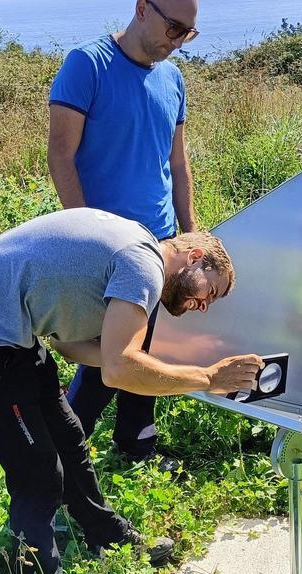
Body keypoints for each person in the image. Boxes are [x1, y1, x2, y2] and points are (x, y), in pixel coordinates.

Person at [0, 207, 261, 574]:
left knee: (69, 438)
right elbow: (118, 370)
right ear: (195, 257)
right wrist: (207, 378)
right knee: (38, 475)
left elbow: (69, 346)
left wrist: (147, 364)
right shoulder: (144, 265)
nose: (202, 305)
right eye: (209, 292)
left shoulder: (134, 245)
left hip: (16, 338)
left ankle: (109, 538)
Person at [48, 0, 201, 470]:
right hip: (106, 249)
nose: (177, 41)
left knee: (145, 349)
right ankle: (63, 459)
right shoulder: (87, 64)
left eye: (188, 34)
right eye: (173, 27)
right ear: (141, 8)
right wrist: (87, 236)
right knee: (103, 360)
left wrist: (192, 231)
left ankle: (137, 445)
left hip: (158, 242)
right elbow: (60, 156)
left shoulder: (172, 80)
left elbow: (176, 163)